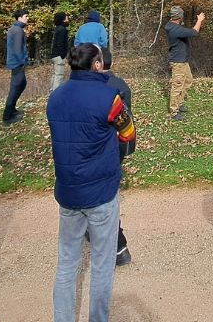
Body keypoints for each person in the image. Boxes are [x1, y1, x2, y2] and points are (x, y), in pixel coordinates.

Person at [47, 43, 133, 322]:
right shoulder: (109, 98)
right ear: (97, 64)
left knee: (67, 263)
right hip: (101, 192)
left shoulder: (56, 97)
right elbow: (128, 133)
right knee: (102, 264)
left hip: (68, 190)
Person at [98, 45, 137, 267]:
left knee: (106, 194)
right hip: (121, 141)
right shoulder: (121, 84)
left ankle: (117, 244)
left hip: (106, 144)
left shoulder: (101, 88)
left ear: (98, 64)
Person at [165, 5, 205, 119]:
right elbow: (194, 32)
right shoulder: (175, 30)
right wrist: (199, 20)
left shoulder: (171, 25)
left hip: (182, 60)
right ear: (179, 17)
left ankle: (180, 103)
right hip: (178, 62)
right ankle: (174, 111)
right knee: (177, 85)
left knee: (188, 81)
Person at [4, 9, 31, 125]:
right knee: (15, 88)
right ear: (19, 18)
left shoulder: (15, 29)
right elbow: (17, 49)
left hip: (15, 62)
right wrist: (22, 62)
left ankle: (12, 110)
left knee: (22, 83)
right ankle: (7, 117)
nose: (27, 18)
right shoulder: (18, 31)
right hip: (17, 63)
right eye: (26, 16)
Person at [51, 12, 72, 91]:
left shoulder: (57, 28)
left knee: (55, 74)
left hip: (55, 55)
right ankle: (55, 92)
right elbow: (60, 43)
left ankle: (52, 91)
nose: (68, 19)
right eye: (66, 18)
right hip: (59, 56)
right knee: (59, 75)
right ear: (63, 19)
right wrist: (63, 55)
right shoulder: (62, 29)